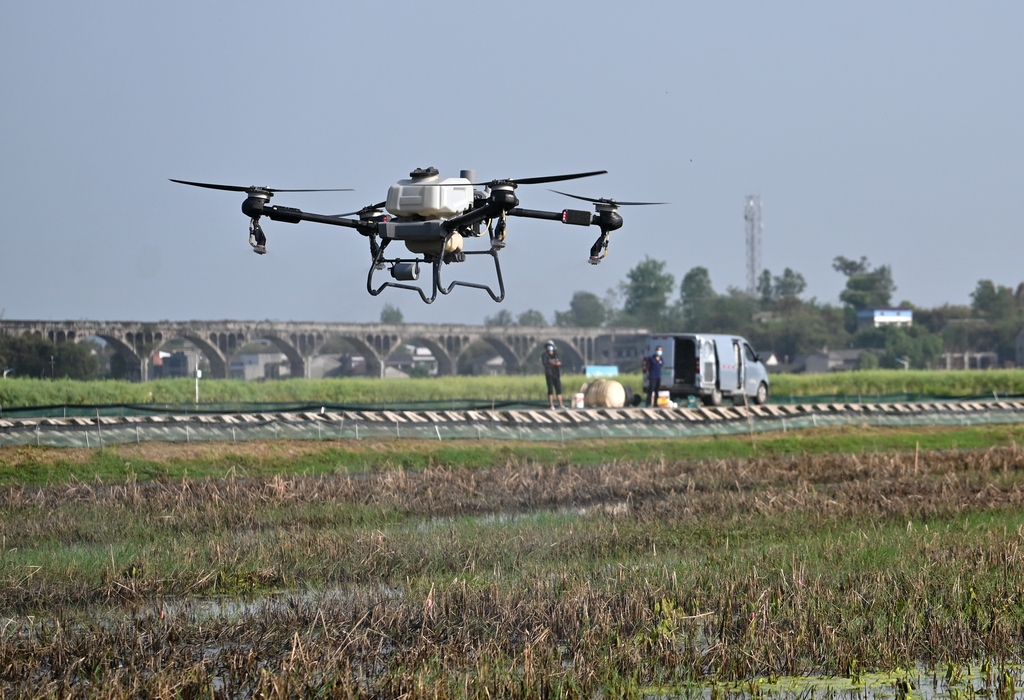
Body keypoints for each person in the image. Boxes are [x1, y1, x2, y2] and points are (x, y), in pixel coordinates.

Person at [542, 341, 563, 409]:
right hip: (549, 374)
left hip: (556, 374)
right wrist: (553, 363)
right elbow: (545, 363)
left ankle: (561, 405)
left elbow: (559, 362)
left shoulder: (556, 354)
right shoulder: (545, 355)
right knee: (550, 390)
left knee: (558, 390)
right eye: (548, 346)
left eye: (551, 345)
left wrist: (556, 363)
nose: (550, 347)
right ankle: (551, 405)